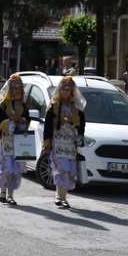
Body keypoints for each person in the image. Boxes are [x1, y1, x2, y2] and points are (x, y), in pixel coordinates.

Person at [43, 76, 87, 209]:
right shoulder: (54, 105)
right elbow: (48, 125)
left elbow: (82, 124)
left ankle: (64, 197)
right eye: (63, 89)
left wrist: (80, 136)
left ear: (72, 91)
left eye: (67, 89)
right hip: (58, 141)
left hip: (71, 143)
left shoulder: (77, 107)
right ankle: (58, 196)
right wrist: (47, 142)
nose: (65, 92)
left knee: (69, 171)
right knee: (61, 168)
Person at [0, 74, 31, 205]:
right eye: (15, 88)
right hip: (6, 141)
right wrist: (10, 121)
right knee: (7, 168)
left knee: (17, 169)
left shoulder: (23, 106)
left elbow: (28, 120)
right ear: (10, 89)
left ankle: (11, 195)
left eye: (20, 88)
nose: (17, 91)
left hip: (20, 141)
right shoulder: (3, 105)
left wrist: (22, 120)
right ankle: (2, 191)